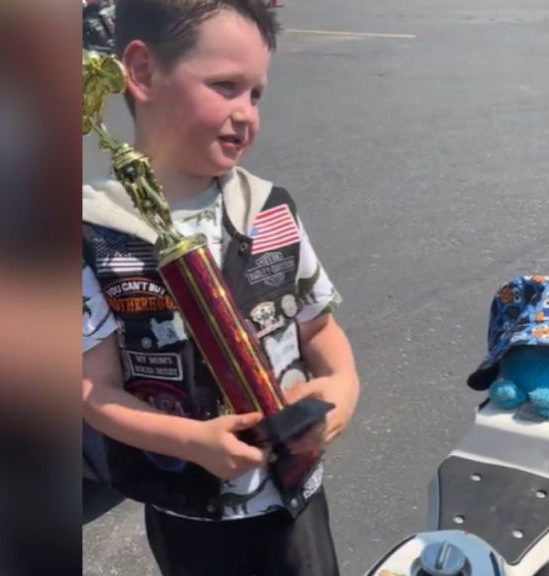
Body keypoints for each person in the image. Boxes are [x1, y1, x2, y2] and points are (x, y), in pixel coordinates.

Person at [81, 1, 360, 575]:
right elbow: (92, 390)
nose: (247, 114)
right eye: (226, 86)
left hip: (296, 496)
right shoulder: (96, 233)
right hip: (191, 513)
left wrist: (342, 388)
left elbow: (320, 327)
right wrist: (190, 441)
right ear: (141, 71)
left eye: (255, 94)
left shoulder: (270, 209)